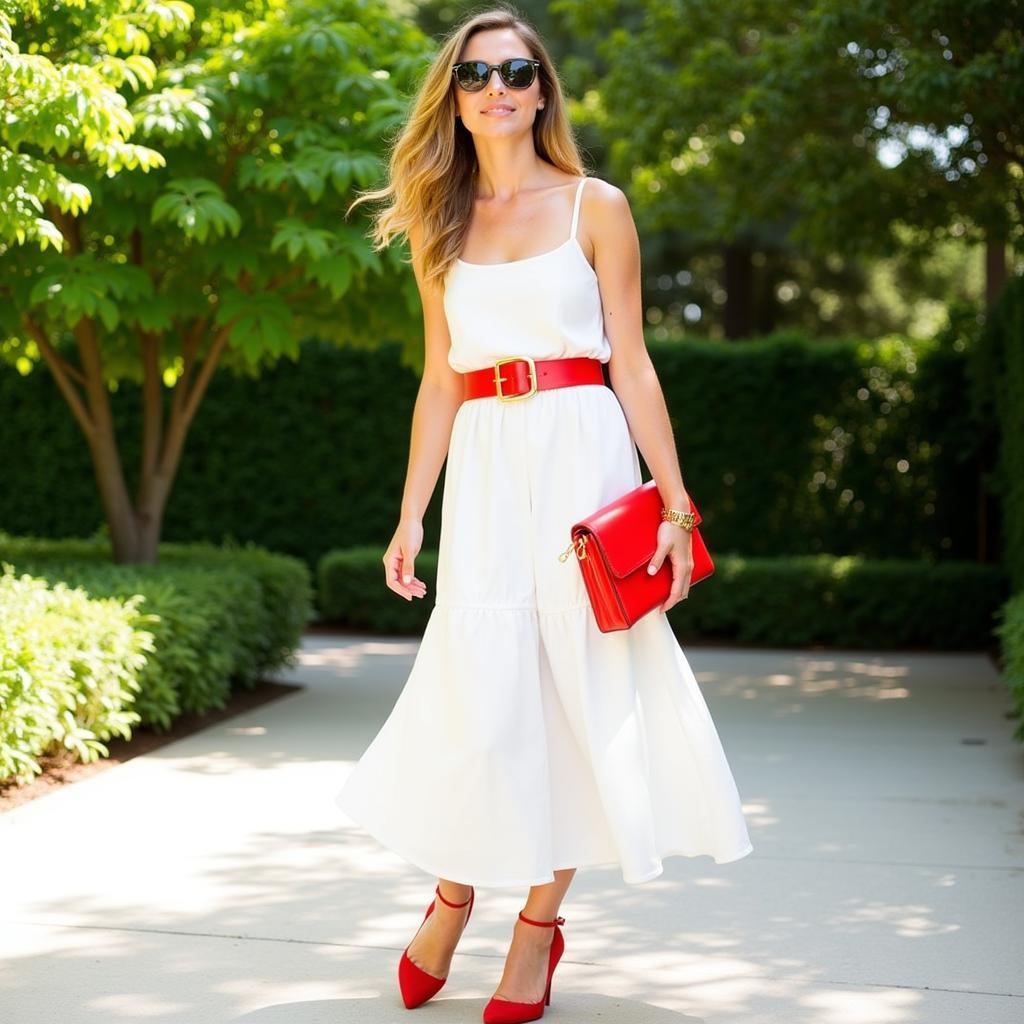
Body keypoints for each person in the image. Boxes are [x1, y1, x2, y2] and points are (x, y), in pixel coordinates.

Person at [336, 7, 753, 1022]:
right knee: (483, 700)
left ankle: (535, 927)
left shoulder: (596, 208)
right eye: (476, 72)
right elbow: (439, 379)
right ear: (457, 93)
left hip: (582, 456)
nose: (497, 86)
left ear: (540, 88)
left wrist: (671, 500)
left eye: (516, 69)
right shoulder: (438, 219)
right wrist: (409, 515)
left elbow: (633, 359)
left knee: (578, 696)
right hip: (484, 464)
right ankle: (451, 889)